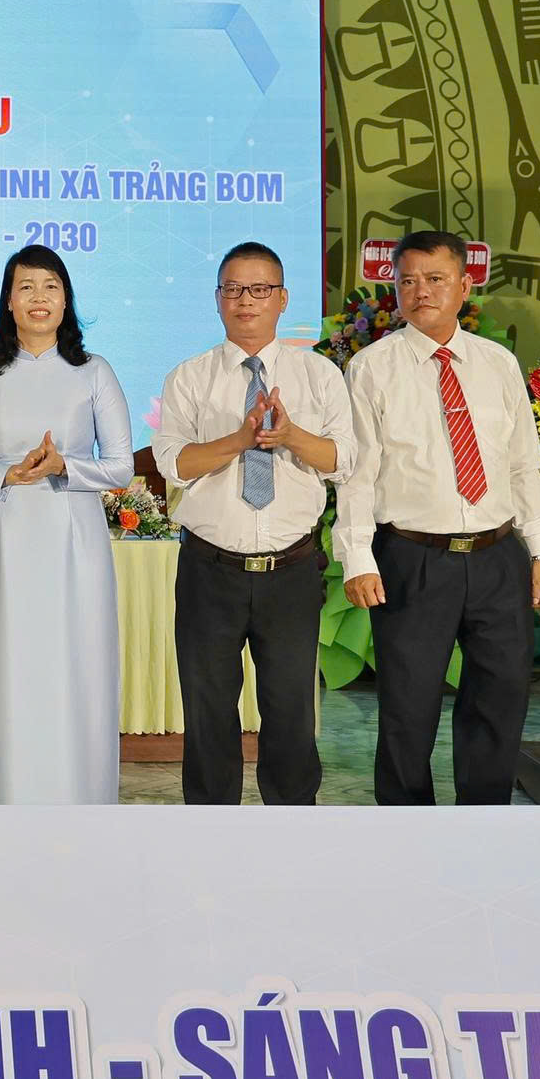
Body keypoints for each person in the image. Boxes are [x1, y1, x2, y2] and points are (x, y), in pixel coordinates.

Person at [336, 229, 540, 805]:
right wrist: (357, 556)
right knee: (407, 706)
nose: (421, 292)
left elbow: (523, 464)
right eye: (407, 281)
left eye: (435, 279)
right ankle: (406, 827)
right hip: (412, 557)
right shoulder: (371, 368)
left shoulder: (497, 364)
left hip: (497, 556)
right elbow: (357, 473)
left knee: (499, 698)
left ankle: (482, 822)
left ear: (464, 285)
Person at [153, 241, 352, 805]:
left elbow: (344, 460)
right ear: (217, 298)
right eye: (234, 289)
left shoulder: (319, 375)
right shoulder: (189, 377)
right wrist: (240, 440)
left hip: (290, 570)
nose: (246, 300)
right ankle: (211, 828)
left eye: (260, 289)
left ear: (282, 299)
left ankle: (291, 826)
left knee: (290, 712)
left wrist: (290, 435)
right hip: (209, 569)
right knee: (208, 709)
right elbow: (174, 463)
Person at [0, 244, 135, 804]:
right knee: (9, 665)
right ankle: (7, 799)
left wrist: (64, 466)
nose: (39, 298)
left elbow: (120, 465)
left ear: (66, 298)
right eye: (25, 287)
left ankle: (82, 799)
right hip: (3, 533)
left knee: (76, 662)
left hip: (75, 539)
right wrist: (6, 474)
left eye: (50, 286)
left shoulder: (93, 372)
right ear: (7, 300)